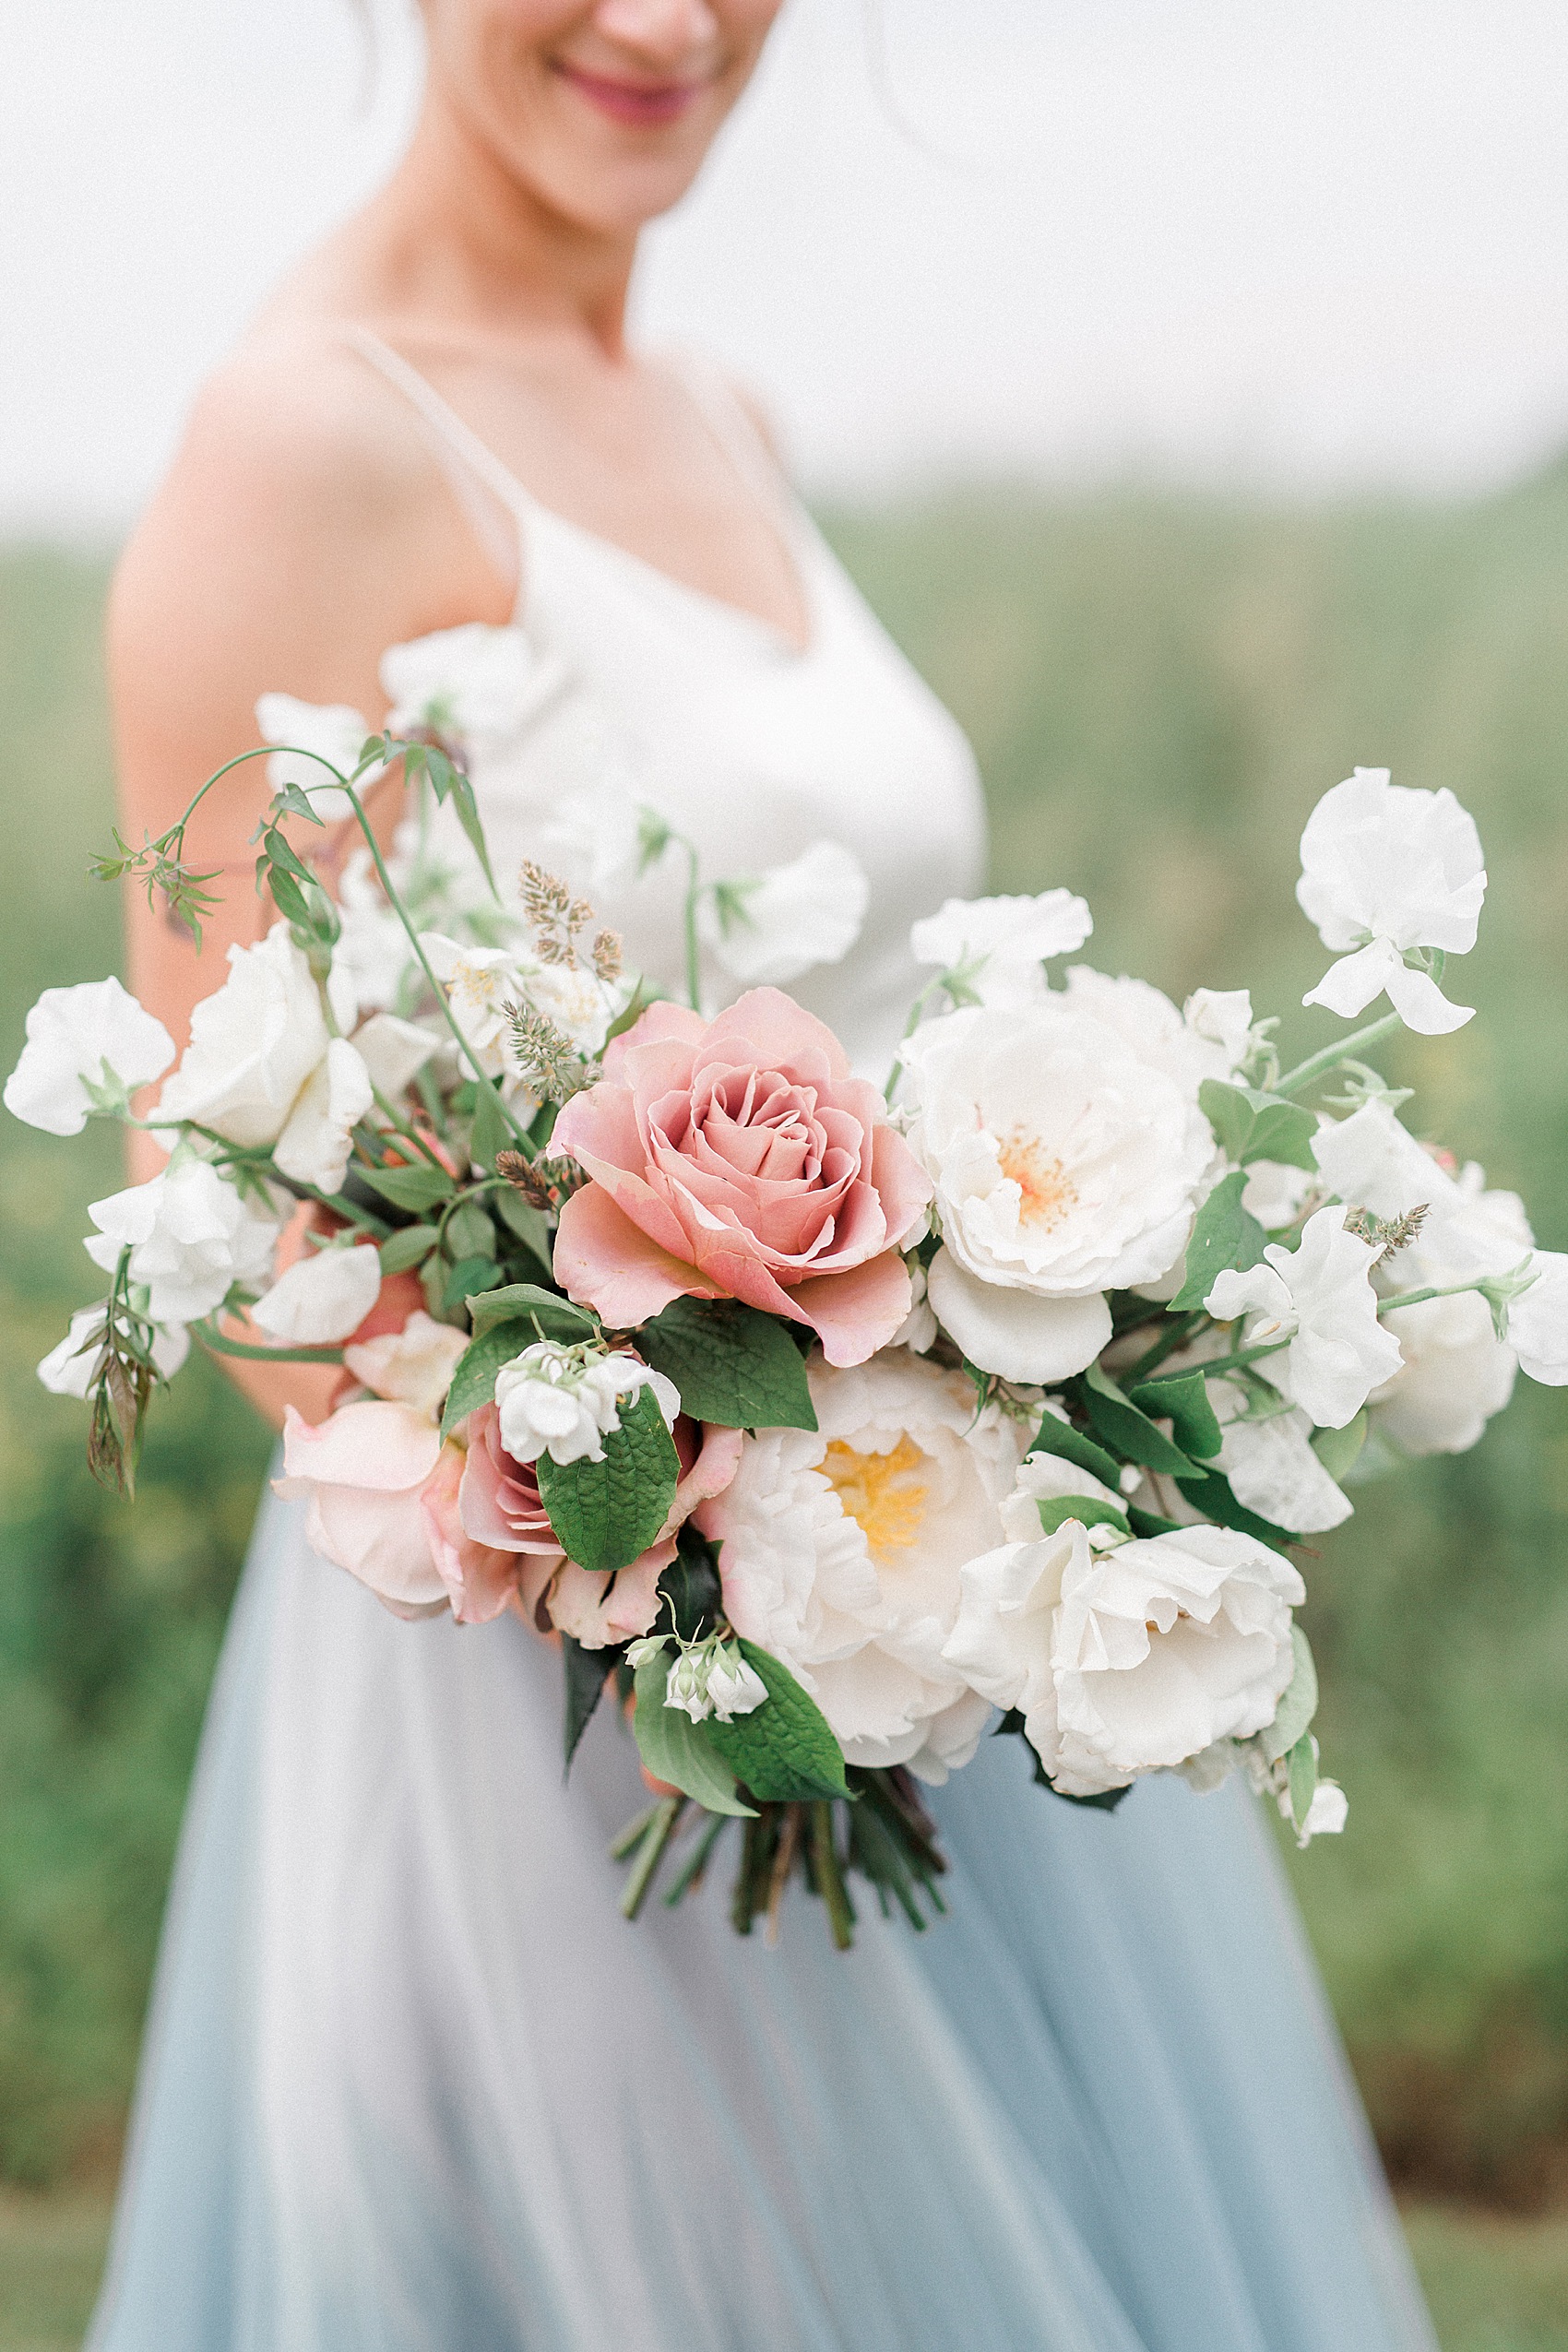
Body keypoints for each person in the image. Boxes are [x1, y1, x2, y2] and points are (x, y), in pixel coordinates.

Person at [88, 6, 1439, 2346]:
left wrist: (1019, 1366)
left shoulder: (720, 413)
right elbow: (224, 1199)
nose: (661, 22)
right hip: (587, 1717)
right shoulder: (306, 439)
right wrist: (704, 1555)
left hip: (941, 1603)